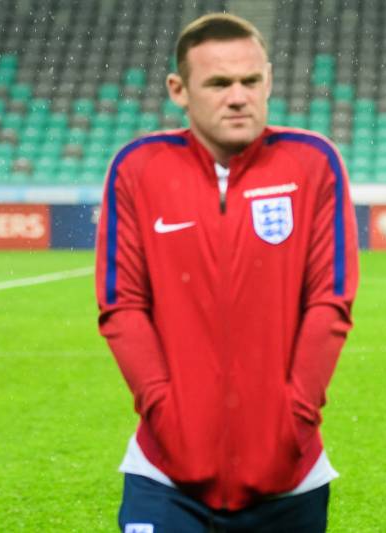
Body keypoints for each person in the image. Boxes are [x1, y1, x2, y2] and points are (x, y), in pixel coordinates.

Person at [94, 12, 359, 532]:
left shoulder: (313, 162)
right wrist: (164, 410)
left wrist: (294, 417)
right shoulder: (138, 168)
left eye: (250, 81)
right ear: (179, 89)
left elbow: (330, 300)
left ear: (268, 82)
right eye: (218, 83)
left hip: (290, 476)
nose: (238, 96)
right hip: (164, 475)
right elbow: (120, 304)